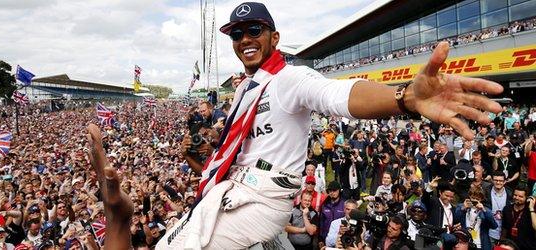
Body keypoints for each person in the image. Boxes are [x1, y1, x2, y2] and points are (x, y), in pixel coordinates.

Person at [100, 1, 502, 248]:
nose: (244, 39)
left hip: (261, 199)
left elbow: (337, 95)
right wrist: (201, 155)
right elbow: (239, 148)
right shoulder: (244, 91)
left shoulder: (289, 78)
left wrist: (404, 98)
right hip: (233, 188)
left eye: (253, 30)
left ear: (274, 37)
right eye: (237, 33)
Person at [318, 181, 345, 248]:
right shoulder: (324, 204)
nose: (332, 193)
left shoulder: (344, 204)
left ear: (339, 190)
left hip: (340, 240)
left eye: (334, 190)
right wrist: (320, 239)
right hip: (326, 239)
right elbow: (321, 222)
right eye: (330, 191)